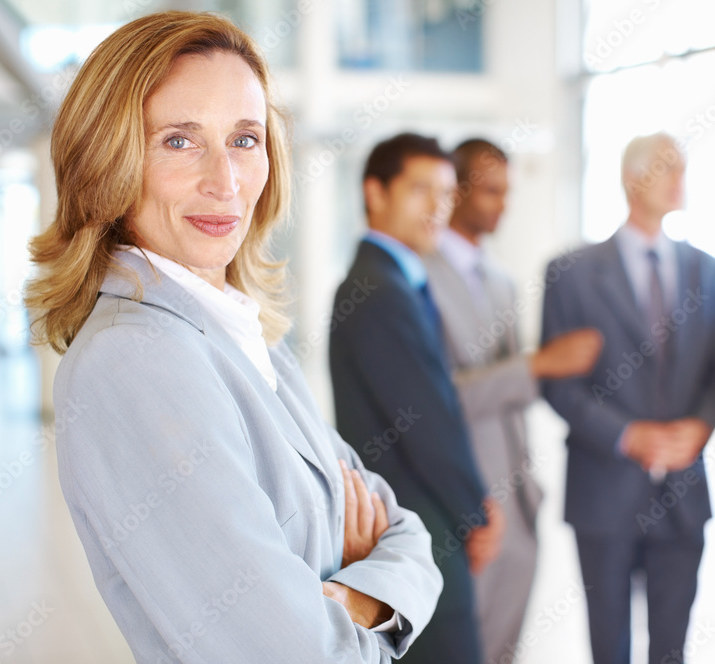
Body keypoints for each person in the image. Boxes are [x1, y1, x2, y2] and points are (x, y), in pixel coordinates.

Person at [24, 13, 441, 663]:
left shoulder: (242, 334)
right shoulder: (133, 360)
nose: (225, 181)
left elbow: (406, 532)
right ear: (108, 162)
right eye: (179, 141)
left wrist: (343, 597)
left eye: (245, 139)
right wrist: (370, 594)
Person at [540, 132, 715, 663]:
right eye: (666, 167)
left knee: (673, 648)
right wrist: (627, 435)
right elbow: (557, 384)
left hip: (685, 495)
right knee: (610, 648)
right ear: (631, 179)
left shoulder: (706, 271)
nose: (678, 179)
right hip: (604, 491)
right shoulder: (570, 273)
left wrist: (700, 428)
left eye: (682, 168)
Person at [422, 138, 602, 664]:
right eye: (493, 190)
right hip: (465, 503)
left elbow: (509, 388)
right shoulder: (420, 277)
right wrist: (538, 363)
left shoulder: (500, 281)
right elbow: (437, 399)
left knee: (505, 651)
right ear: (457, 192)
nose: (504, 203)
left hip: (519, 502)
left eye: (508, 191)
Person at [329, 133, 503, 664]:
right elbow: (426, 423)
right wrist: (476, 512)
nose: (438, 207)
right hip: (420, 528)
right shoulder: (379, 291)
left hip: (418, 524)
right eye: (421, 189)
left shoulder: (394, 282)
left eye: (447, 193)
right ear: (375, 192)